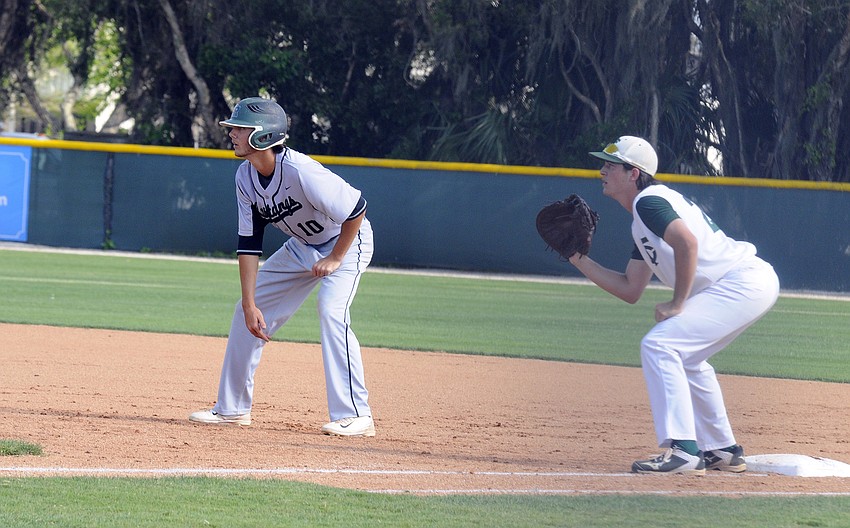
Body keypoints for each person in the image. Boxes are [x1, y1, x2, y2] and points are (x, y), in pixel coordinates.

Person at [571, 135, 779, 474]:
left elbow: (687, 243)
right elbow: (630, 288)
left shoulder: (648, 202)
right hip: (745, 283)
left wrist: (677, 303)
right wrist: (578, 259)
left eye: (610, 165)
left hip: (742, 281)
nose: (602, 171)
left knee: (660, 344)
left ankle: (683, 451)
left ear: (633, 173)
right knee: (690, 359)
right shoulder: (643, 221)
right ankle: (722, 449)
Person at [189, 97, 376, 437]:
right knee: (245, 311)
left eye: (239, 128)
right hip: (301, 248)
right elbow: (249, 243)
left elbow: (357, 208)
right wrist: (249, 303)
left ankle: (357, 415)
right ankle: (232, 409)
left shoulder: (301, 172)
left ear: (261, 136)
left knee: (331, 310)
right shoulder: (245, 177)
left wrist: (335, 257)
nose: (231, 133)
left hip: (347, 244)